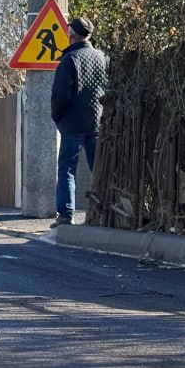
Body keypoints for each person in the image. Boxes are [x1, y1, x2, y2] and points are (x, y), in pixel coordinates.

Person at [50, 15, 108, 226]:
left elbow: (60, 95)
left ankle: (66, 215)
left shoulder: (69, 60)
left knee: (67, 168)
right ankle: (104, 212)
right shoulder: (103, 57)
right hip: (97, 121)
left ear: (71, 34)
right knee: (99, 169)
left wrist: (57, 116)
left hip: (72, 124)